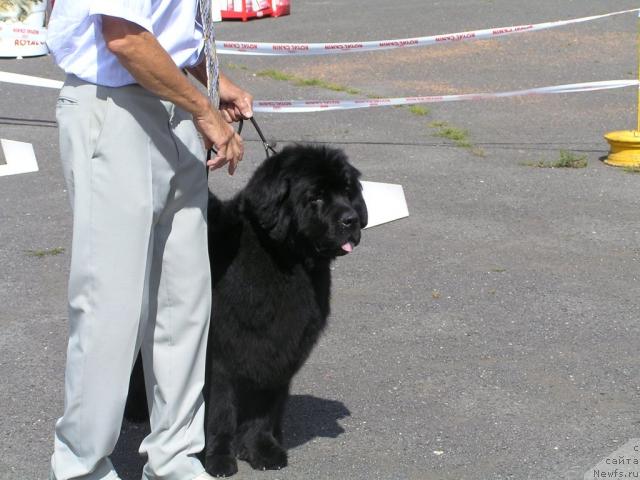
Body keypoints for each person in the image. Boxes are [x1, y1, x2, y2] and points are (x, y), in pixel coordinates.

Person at [46, 1, 253, 479]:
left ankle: (174, 457)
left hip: (172, 101)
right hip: (114, 105)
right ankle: (81, 466)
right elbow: (124, 36)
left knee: (183, 302)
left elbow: (170, 27)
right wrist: (203, 106)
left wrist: (214, 84)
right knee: (109, 307)